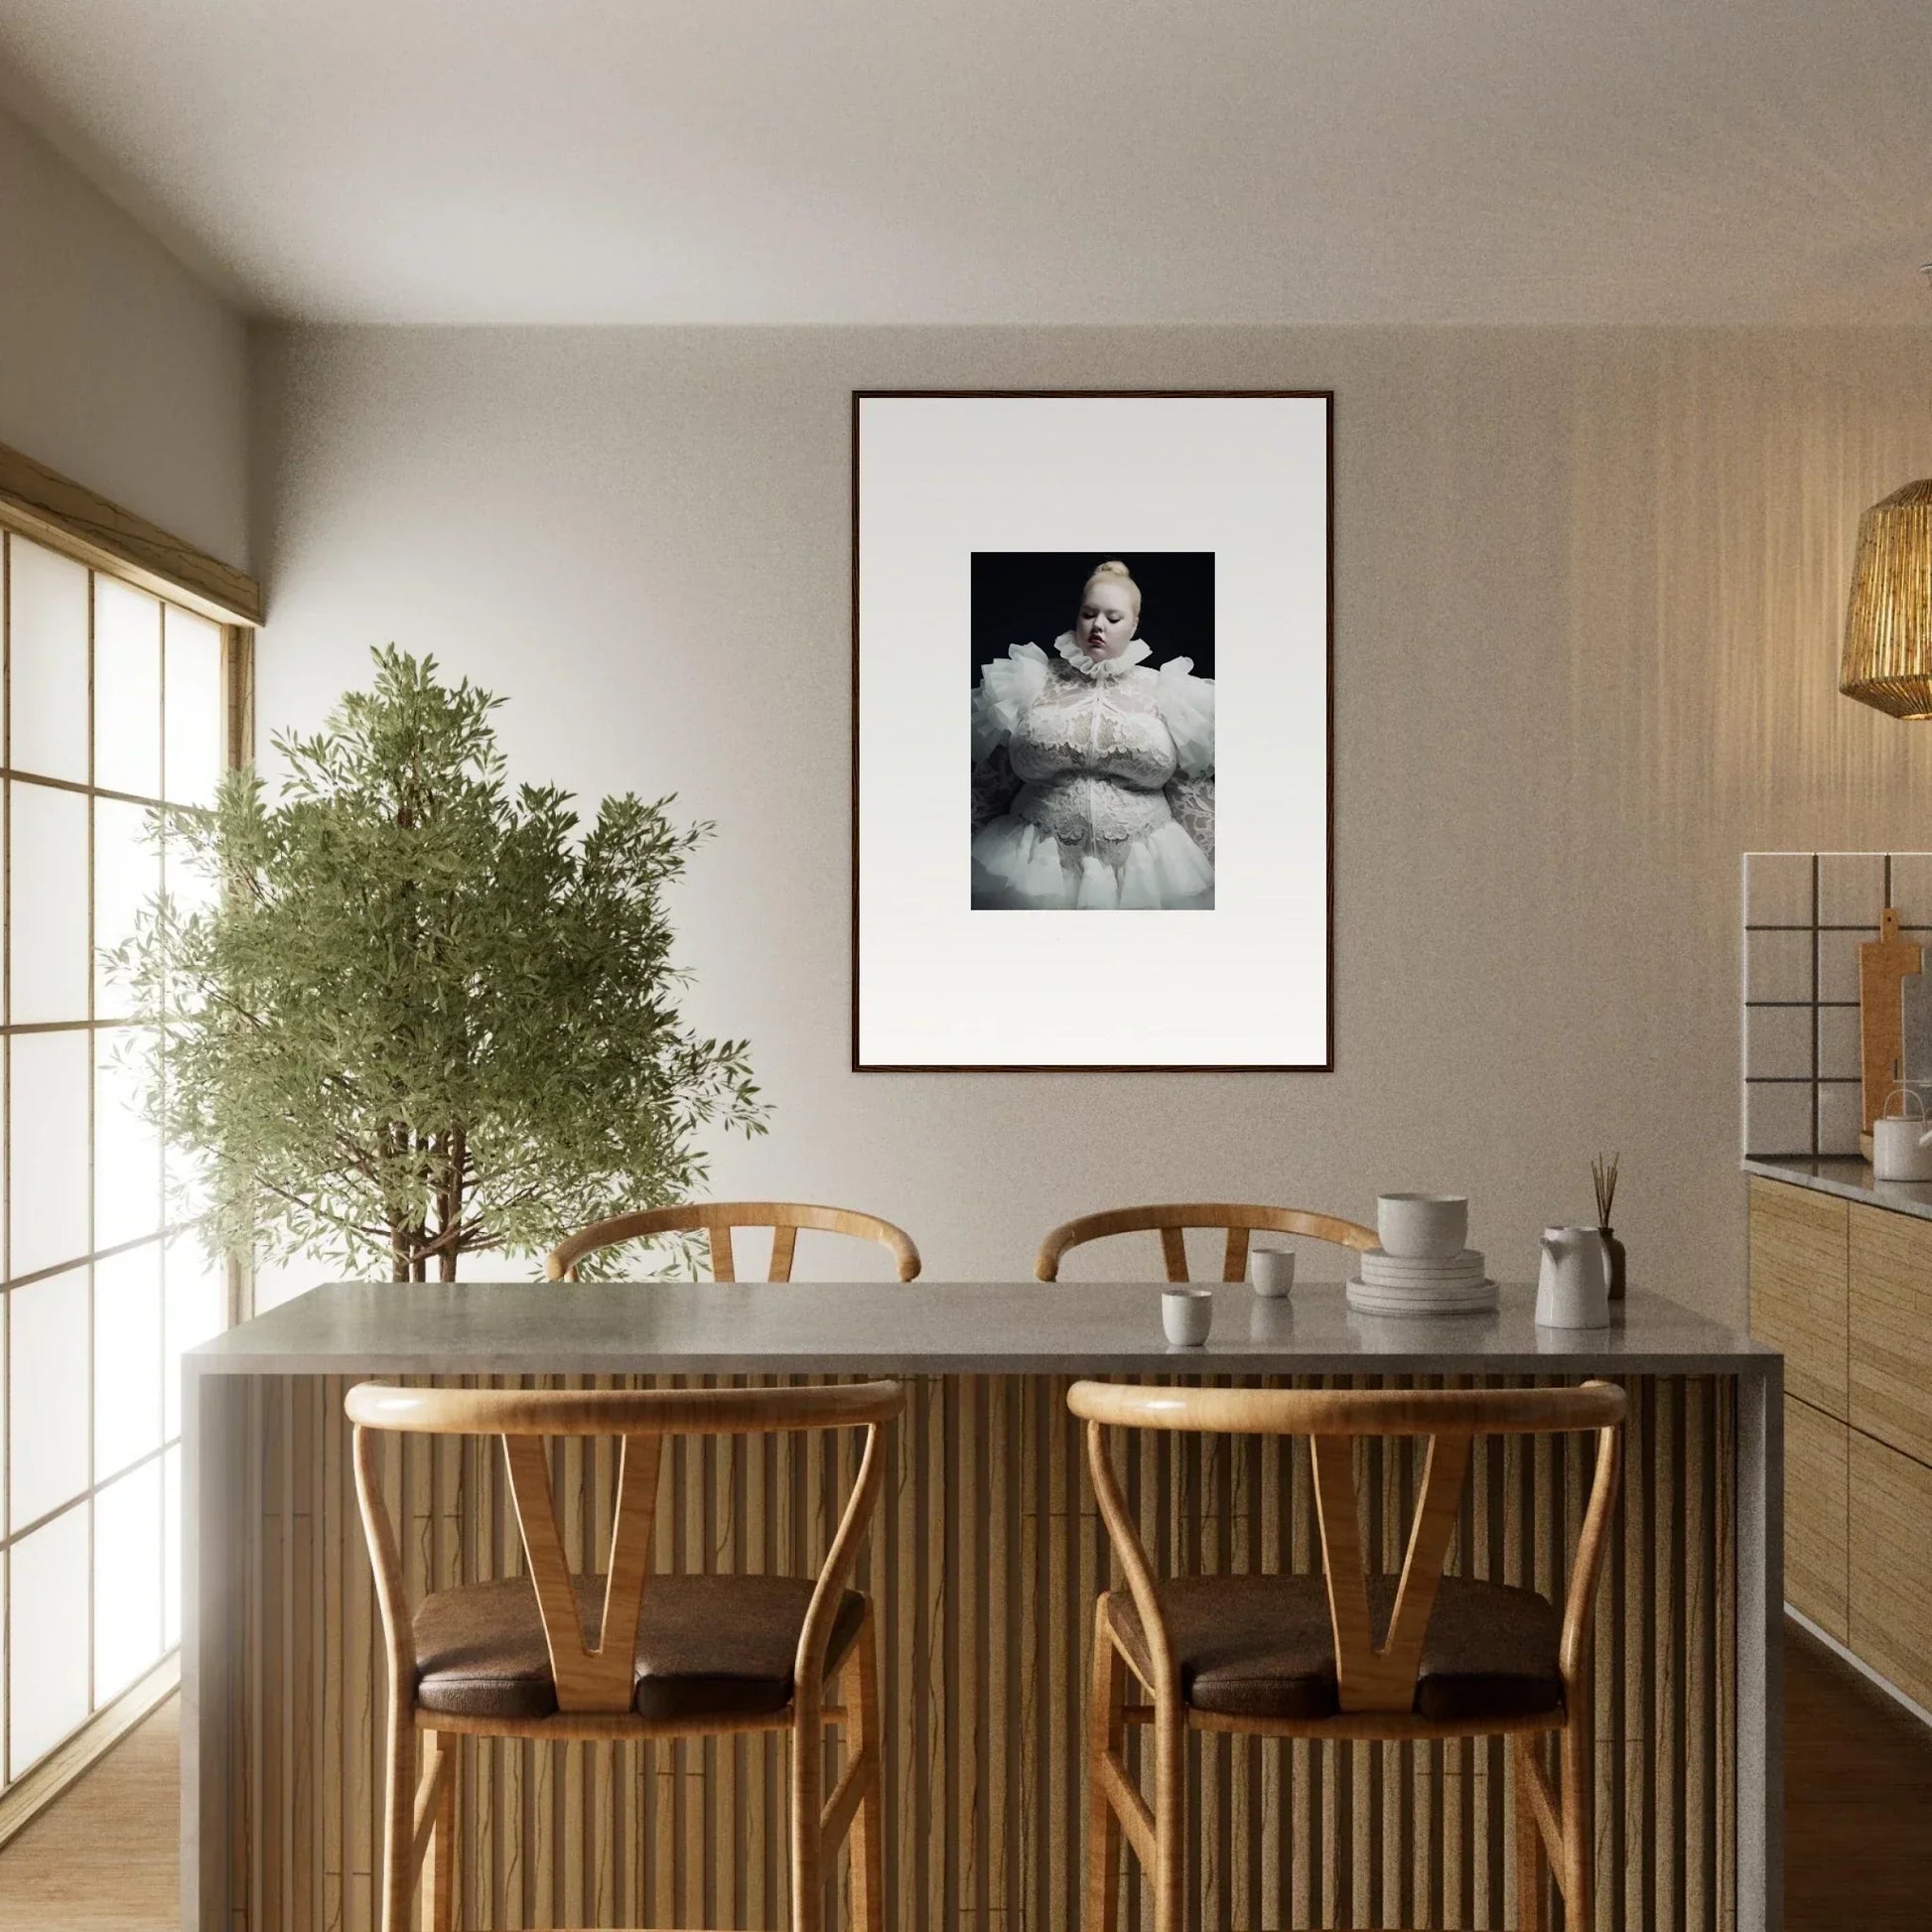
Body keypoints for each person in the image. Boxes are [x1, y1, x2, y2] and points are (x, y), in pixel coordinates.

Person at [970, 559, 1214, 909]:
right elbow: (990, 782)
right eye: (1088, 614)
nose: (1098, 625)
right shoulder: (1028, 682)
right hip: (1030, 868)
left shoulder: (1169, 692)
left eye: (1112, 618)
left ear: (1134, 624)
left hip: (1149, 873)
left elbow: (1191, 791)